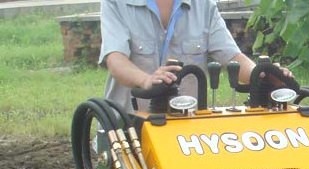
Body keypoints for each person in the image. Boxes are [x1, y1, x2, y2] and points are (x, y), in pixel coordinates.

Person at [99, 0, 283, 111]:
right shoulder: (116, 2)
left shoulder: (203, 5)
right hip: (128, 128)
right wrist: (146, 80)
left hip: (185, 131)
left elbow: (232, 57)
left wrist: (264, 75)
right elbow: (115, 60)